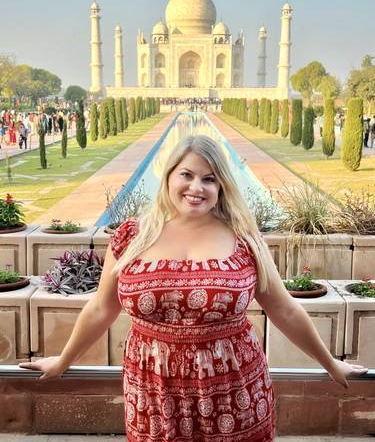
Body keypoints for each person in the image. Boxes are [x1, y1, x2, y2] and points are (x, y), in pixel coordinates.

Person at [19, 135, 368, 441]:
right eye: (186, 174)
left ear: (222, 187)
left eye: (209, 179)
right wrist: (64, 361)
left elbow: (284, 309)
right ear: (168, 177)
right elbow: (101, 308)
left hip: (235, 391)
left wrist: (331, 363)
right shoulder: (131, 237)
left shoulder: (244, 239)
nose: (196, 187)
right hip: (154, 393)